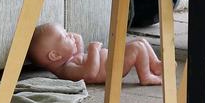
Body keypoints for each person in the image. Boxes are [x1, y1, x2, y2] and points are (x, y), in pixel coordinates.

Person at [28, 22, 163, 85]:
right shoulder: (67, 70)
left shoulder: (68, 60)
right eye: (65, 36)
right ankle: (145, 77)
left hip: (112, 61)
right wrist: (93, 50)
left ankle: (155, 65)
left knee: (140, 40)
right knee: (137, 48)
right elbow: (91, 73)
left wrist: (74, 39)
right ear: (55, 55)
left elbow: (79, 44)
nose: (70, 35)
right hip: (112, 69)